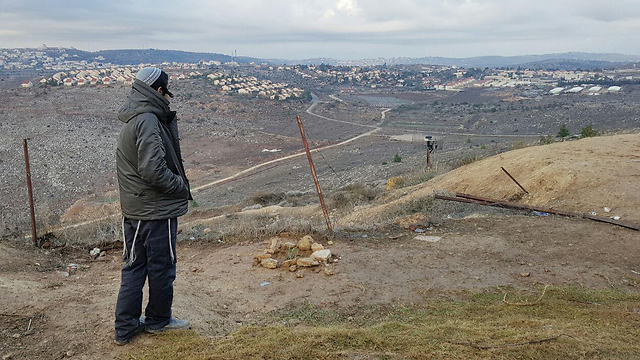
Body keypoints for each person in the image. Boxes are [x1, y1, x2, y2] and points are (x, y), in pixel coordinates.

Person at [114, 67, 192, 346]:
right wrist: (180, 187)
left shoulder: (134, 116)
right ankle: (159, 321)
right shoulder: (148, 119)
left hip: (136, 209)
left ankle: (124, 329)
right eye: (166, 92)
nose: (167, 98)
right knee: (162, 267)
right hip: (156, 211)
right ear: (158, 91)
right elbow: (153, 170)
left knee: (134, 266)